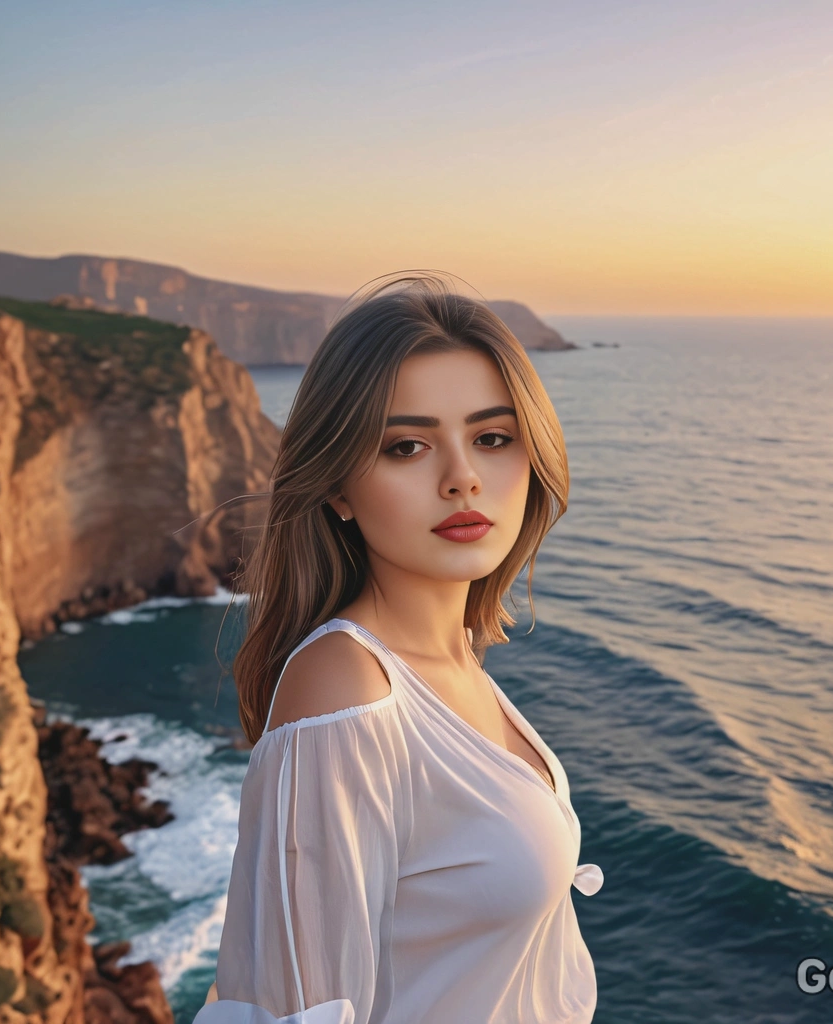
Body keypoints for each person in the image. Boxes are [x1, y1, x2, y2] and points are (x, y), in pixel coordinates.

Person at [194, 272, 604, 1024]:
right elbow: (297, 1011)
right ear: (339, 488)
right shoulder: (345, 690)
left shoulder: (454, 664)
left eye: (492, 437)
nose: (463, 479)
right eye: (407, 446)